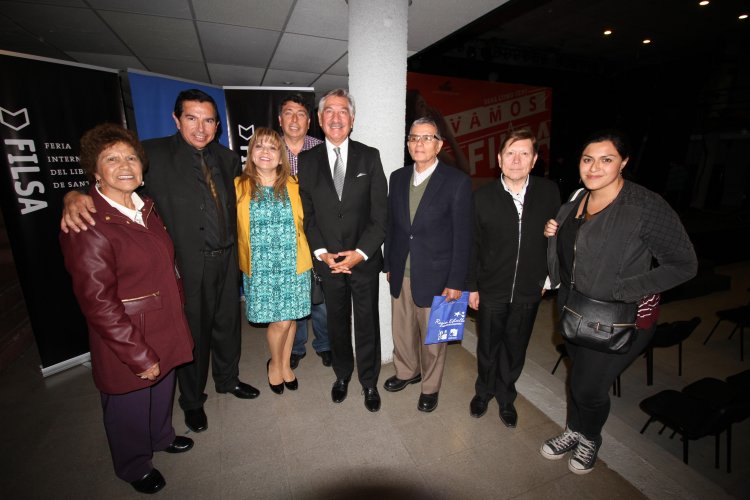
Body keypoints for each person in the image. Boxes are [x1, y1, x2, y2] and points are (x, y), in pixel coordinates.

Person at [60, 89, 259, 435]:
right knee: (192, 334)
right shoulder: (151, 154)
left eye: (209, 120)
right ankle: (193, 401)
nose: (201, 127)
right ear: (176, 119)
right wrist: (73, 195)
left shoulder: (227, 159)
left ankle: (229, 380)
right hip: (185, 265)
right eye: (192, 118)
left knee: (228, 326)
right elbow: (112, 180)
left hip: (227, 260)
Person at [539, 130, 697, 474]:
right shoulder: (577, 198)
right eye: (587, 159)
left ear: (623, 162)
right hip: (574, 310)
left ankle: (590, 437)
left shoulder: (644, 205)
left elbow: (684, 264)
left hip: (619, 316)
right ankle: (574, 429)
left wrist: (624, 289)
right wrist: (556, 234)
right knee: (577, 377)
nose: (594, 167)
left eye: (606, 159)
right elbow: (575, 252)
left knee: (587, 387)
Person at [59, 124, 195, 494]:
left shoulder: (145, 207)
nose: (125, 165)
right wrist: (135, 353)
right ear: (95, 169)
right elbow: (97, 302)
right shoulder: (87, 223)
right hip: (127, 333)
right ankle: (133, 464)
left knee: (162, 386)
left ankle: (161, 436)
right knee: (129, 401)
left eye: (131, 157)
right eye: (112, 159)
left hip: (163, 321)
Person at [297, 88, 388, 412]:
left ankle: (369, 381)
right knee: (336, 322)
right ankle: (342, 375)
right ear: (320, 120)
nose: (336, 118)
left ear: (352, 119)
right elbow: (308, 215)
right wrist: (322, 252)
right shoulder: (306, 161)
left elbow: (380, 215)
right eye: (329, 112)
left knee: (367, 323)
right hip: (328, 262)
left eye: (343, 112)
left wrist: (359, 253)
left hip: (362, 261)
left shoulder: (370, 156)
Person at [467, 128, 561, 427]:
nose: (516, 160)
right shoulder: (482, 196)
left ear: (534, 160)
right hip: (491, 288)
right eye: (510, 153)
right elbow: (472, 246)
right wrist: (471, 287)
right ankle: (483, 391)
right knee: (488, 346)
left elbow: (558, 240)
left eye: (524, 154)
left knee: (515, 346)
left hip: (529, 289)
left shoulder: (549, 192)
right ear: (499, 159)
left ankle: (506, 395)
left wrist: (549, 278)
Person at [383, 117, 472, 412]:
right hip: (401, 272)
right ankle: (407, 371)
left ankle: (430, 387)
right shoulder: (397, 177)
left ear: (439, 144)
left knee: (434, 339)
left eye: (426, 138)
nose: (418, 143)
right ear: (408, 143)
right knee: (402, 331)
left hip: (438, 276)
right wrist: (389, 264)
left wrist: (457, 282)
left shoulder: (456, 181)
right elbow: (392, 227)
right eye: (413, 138)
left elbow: (463, 236)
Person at [236, 127, 311, 394]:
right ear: (251, 154)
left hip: (294, 264)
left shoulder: (294, 185)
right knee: (278, 321)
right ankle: (275, 364)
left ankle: (284, 365)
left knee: (289, 320)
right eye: (259, 146)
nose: (265, 152)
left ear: (281, 157)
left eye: (272, 147)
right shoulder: (238, 186)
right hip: (261, 268)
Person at [277, 93, 331, 369]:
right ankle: (295, 347)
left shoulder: (321, 150)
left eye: (300, 114)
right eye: (289, 113)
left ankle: (324, 343)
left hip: (317, 233)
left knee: (320, 296)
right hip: (284, 237)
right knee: (294, 295)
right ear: (280, 119)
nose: (294, 119)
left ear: (309, 121)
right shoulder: (269, 150)